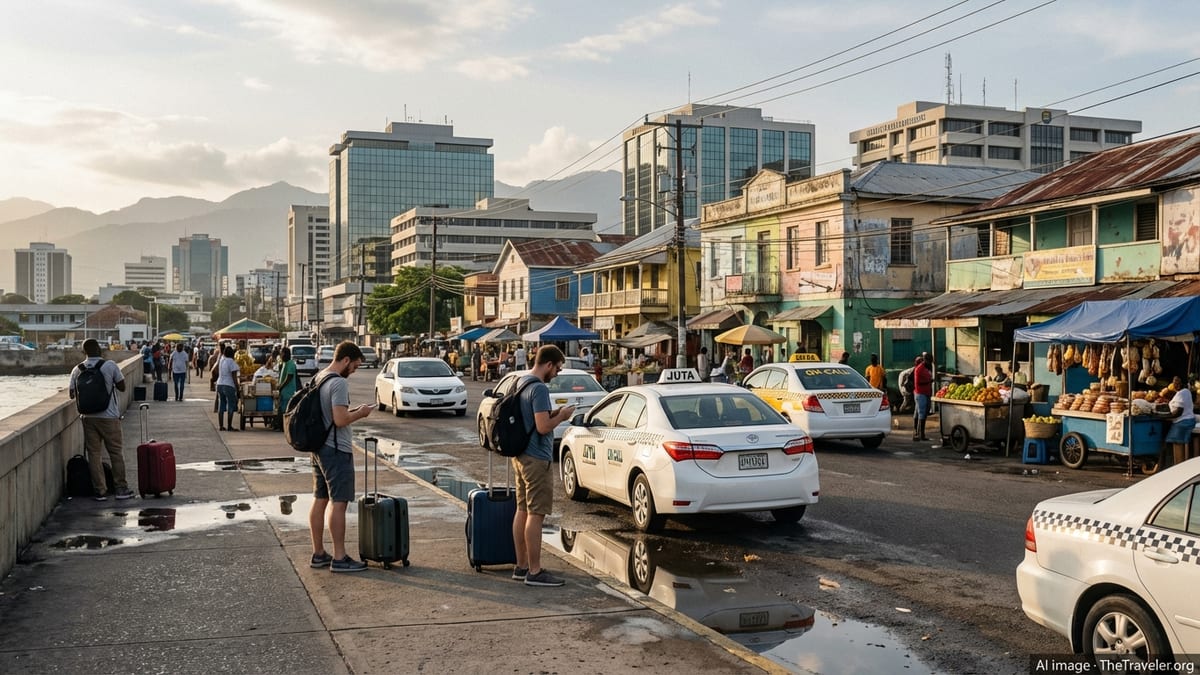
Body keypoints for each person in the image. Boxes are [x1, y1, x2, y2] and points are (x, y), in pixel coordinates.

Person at [511, 345, 574, 587]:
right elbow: (543, 427)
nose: (557, 373)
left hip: (521, 455)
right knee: (536, 514)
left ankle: (521, 566)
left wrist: (553, 413)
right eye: (557, 368)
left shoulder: (521, 381)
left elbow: (535, 419)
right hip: (537, 458)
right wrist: (563, 416)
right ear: (548, 364)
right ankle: (535, 572)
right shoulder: (538, 389)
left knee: (522, 510)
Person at [309, 341, 373, 573]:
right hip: (336, 450)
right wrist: (362, 413)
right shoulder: (338, 383)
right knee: (339, 503)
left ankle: (318, 553)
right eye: (354, 366)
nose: (354, 371)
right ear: (346, 360)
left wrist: (351, 411)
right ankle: (339, 557)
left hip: (318, 448)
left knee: (320, 499)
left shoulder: (320, 377)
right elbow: (340, 419)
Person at [69, 339, 133, 501]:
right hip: (109, 416)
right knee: (115, 453)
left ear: (84, 352)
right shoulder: (110, 365)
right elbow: (122, 387)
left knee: (94, 455)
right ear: (99, 349)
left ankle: (100, 491)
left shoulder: (77, 370)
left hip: (88, 418)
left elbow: (71, 394)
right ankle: (120, 489)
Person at [1164, 376, 1195, 467]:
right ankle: (1180, 466)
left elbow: (1179, 411)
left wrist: (1167, 417)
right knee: (1178, 444)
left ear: (1183, 383)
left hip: (1182, 422)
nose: (1176, 384)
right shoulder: (1185, 392)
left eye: (1178, 382)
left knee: (1178, 444)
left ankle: (1178, 466)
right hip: (1187, 420)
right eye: (1174, 382)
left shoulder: (1182, 393)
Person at [216, 345, 240, 431]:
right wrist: (237, 389)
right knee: (231, 405)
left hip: (219, 384)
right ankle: (229, 426)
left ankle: (221, 426)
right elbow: (234, 377)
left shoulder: (222, 360)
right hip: (229, 385)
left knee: (221, 405)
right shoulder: (231, 362)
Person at [274, 347, 298, 432]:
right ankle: (280, 426)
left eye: (281, 353)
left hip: (288, 391)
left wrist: (281, 386)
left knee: (286, 409)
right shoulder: (284, 363)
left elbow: (289, 377)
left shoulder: (291, 364)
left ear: (285, 354)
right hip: (283, 391)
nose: (280, 355)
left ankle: (284, 427)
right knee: (281, 408)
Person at [912, 356, 934, 441]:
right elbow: (918, 383)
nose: (930, 363)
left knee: (920, 412)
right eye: (929, 361)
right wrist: (929, 381)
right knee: (921, 413)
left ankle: (917, 433)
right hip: (920, 393)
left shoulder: (926, 367)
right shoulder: (919, 369)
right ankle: (921, 434)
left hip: (926, 392)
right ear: (925, 360)